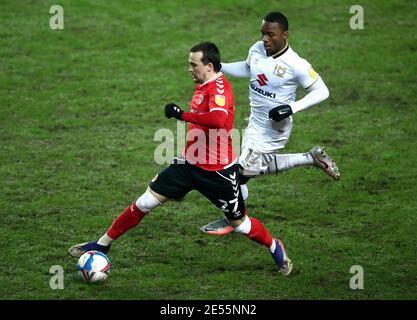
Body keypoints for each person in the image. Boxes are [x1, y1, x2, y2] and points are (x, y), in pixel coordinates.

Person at [68, 42, 293, 276]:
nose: (189, 69)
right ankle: (102, 243)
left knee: (240, 225)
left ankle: (275, 246)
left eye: (193, 65)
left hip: (218, 172)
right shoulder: (202, 83)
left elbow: (217, 120)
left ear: (208, 66)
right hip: (188, 163)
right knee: (144, 203)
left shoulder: (219, 90)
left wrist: (180, 115)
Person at [200, 12, 340, 235]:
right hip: (255, 122)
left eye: (270, 34)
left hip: (274, 130)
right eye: (263, 33)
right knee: (250, 168)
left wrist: (291, 107)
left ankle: (234, 218)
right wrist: (220, 66)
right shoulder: (257, 49)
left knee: (237, 174)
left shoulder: (296, 64)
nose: (265, 39)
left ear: (284, 35)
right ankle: (310, 158)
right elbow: (248, 69)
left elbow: (322, 91)